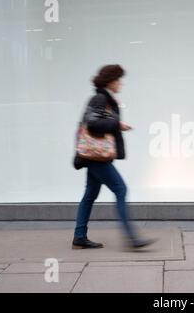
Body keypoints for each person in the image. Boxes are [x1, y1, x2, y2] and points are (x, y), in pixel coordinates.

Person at [72, 64, 156, 250]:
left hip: (96, 156)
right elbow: (93, 124)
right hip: (96, 157)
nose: (121, 84)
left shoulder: (104, 99)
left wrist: (116, 124)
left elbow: (99, 121)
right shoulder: (100, 98)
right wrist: (117, 124)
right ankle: (132, 238)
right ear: (111, 81)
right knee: (121, 189)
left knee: (90, 194)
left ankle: (79, 236)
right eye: (119, 80)